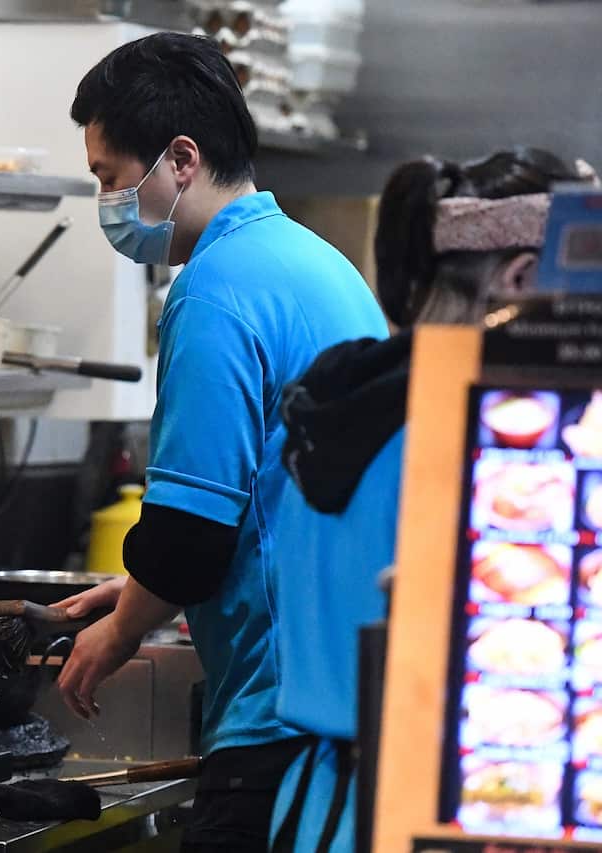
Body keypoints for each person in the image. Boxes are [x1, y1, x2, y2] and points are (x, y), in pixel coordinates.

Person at [51, 32, 388, 851]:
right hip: (347, 712)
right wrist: (131, 590)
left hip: (273, 724)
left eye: (108, 177)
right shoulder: (317, 262)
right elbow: (261, 502)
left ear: (180, 158)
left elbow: (191, 537)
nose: (107, 201)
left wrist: (120, 631)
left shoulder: (213, 288)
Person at [267, 147, 596, 852]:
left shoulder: (324, 407)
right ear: (523, 275)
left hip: (320, 808)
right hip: (449, 817)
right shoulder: (481, 447)